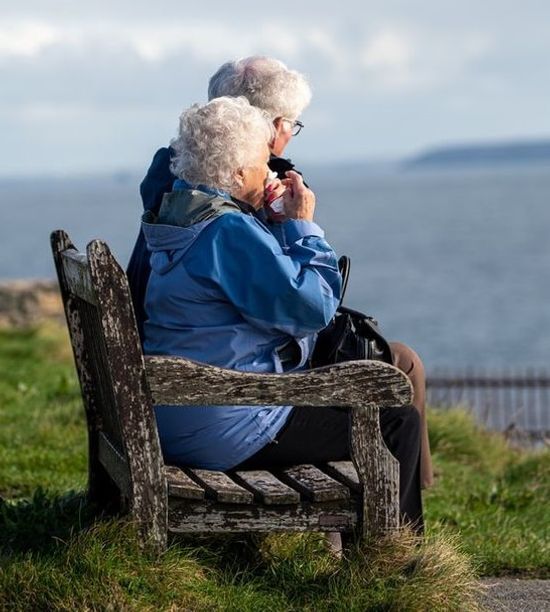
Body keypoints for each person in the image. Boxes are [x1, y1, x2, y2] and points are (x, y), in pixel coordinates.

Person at [128, 55, 434, 489]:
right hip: (226, 419)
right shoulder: (226, 229)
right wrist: (301, 225)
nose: (269, 166)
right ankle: (395, 549)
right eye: (260, 160)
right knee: (395, 421)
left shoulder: (176, 209)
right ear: (237, 170)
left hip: (176, 398)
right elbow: (311, 312)